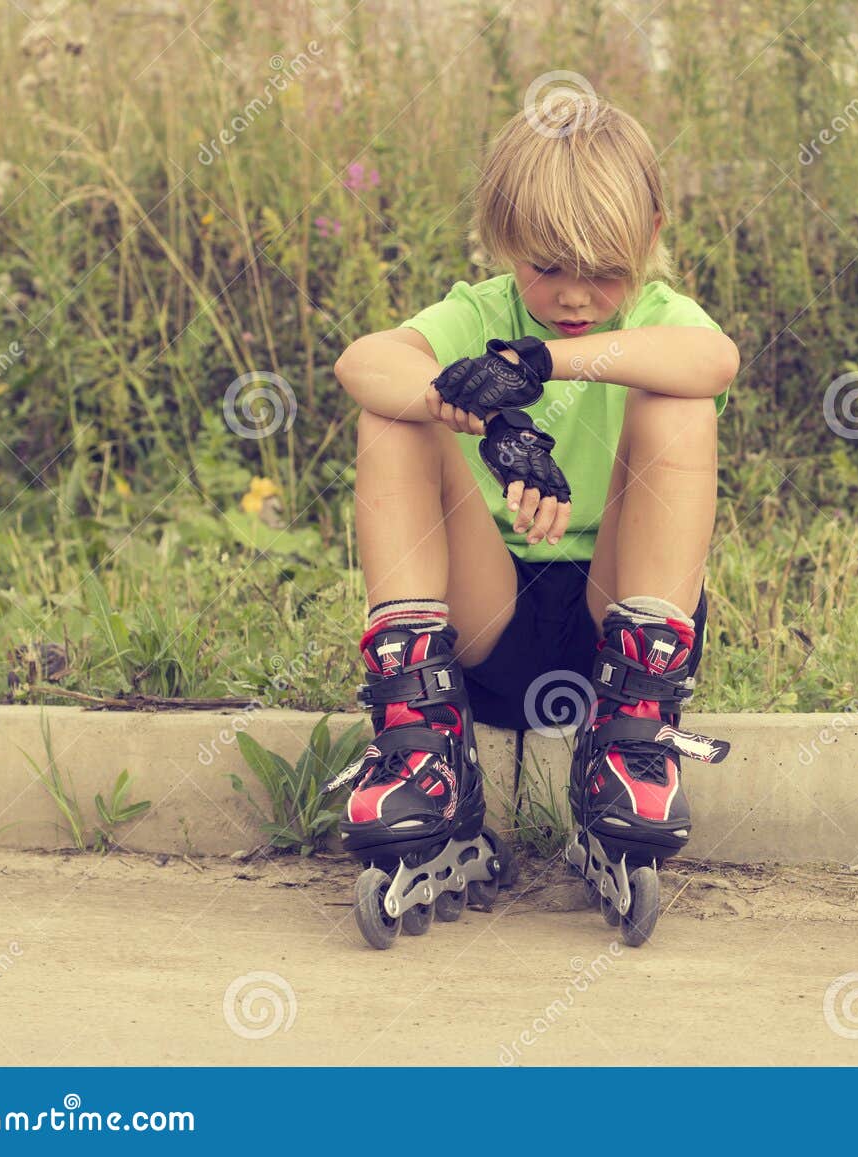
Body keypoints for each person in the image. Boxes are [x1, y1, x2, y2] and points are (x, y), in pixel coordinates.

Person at [330, 91, 738, 943]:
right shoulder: (478, 313)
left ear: (654, 230)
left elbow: (713, 359)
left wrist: (544, 363)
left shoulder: (657, 318)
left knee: (679, 399)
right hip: (486, 627)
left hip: (613, 630)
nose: (578, 294)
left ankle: (630, 749)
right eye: (548, 267)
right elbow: (364, 361)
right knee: (398, 405)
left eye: (606, 271)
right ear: (503, 237)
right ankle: (420, 745)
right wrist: (491, 419)